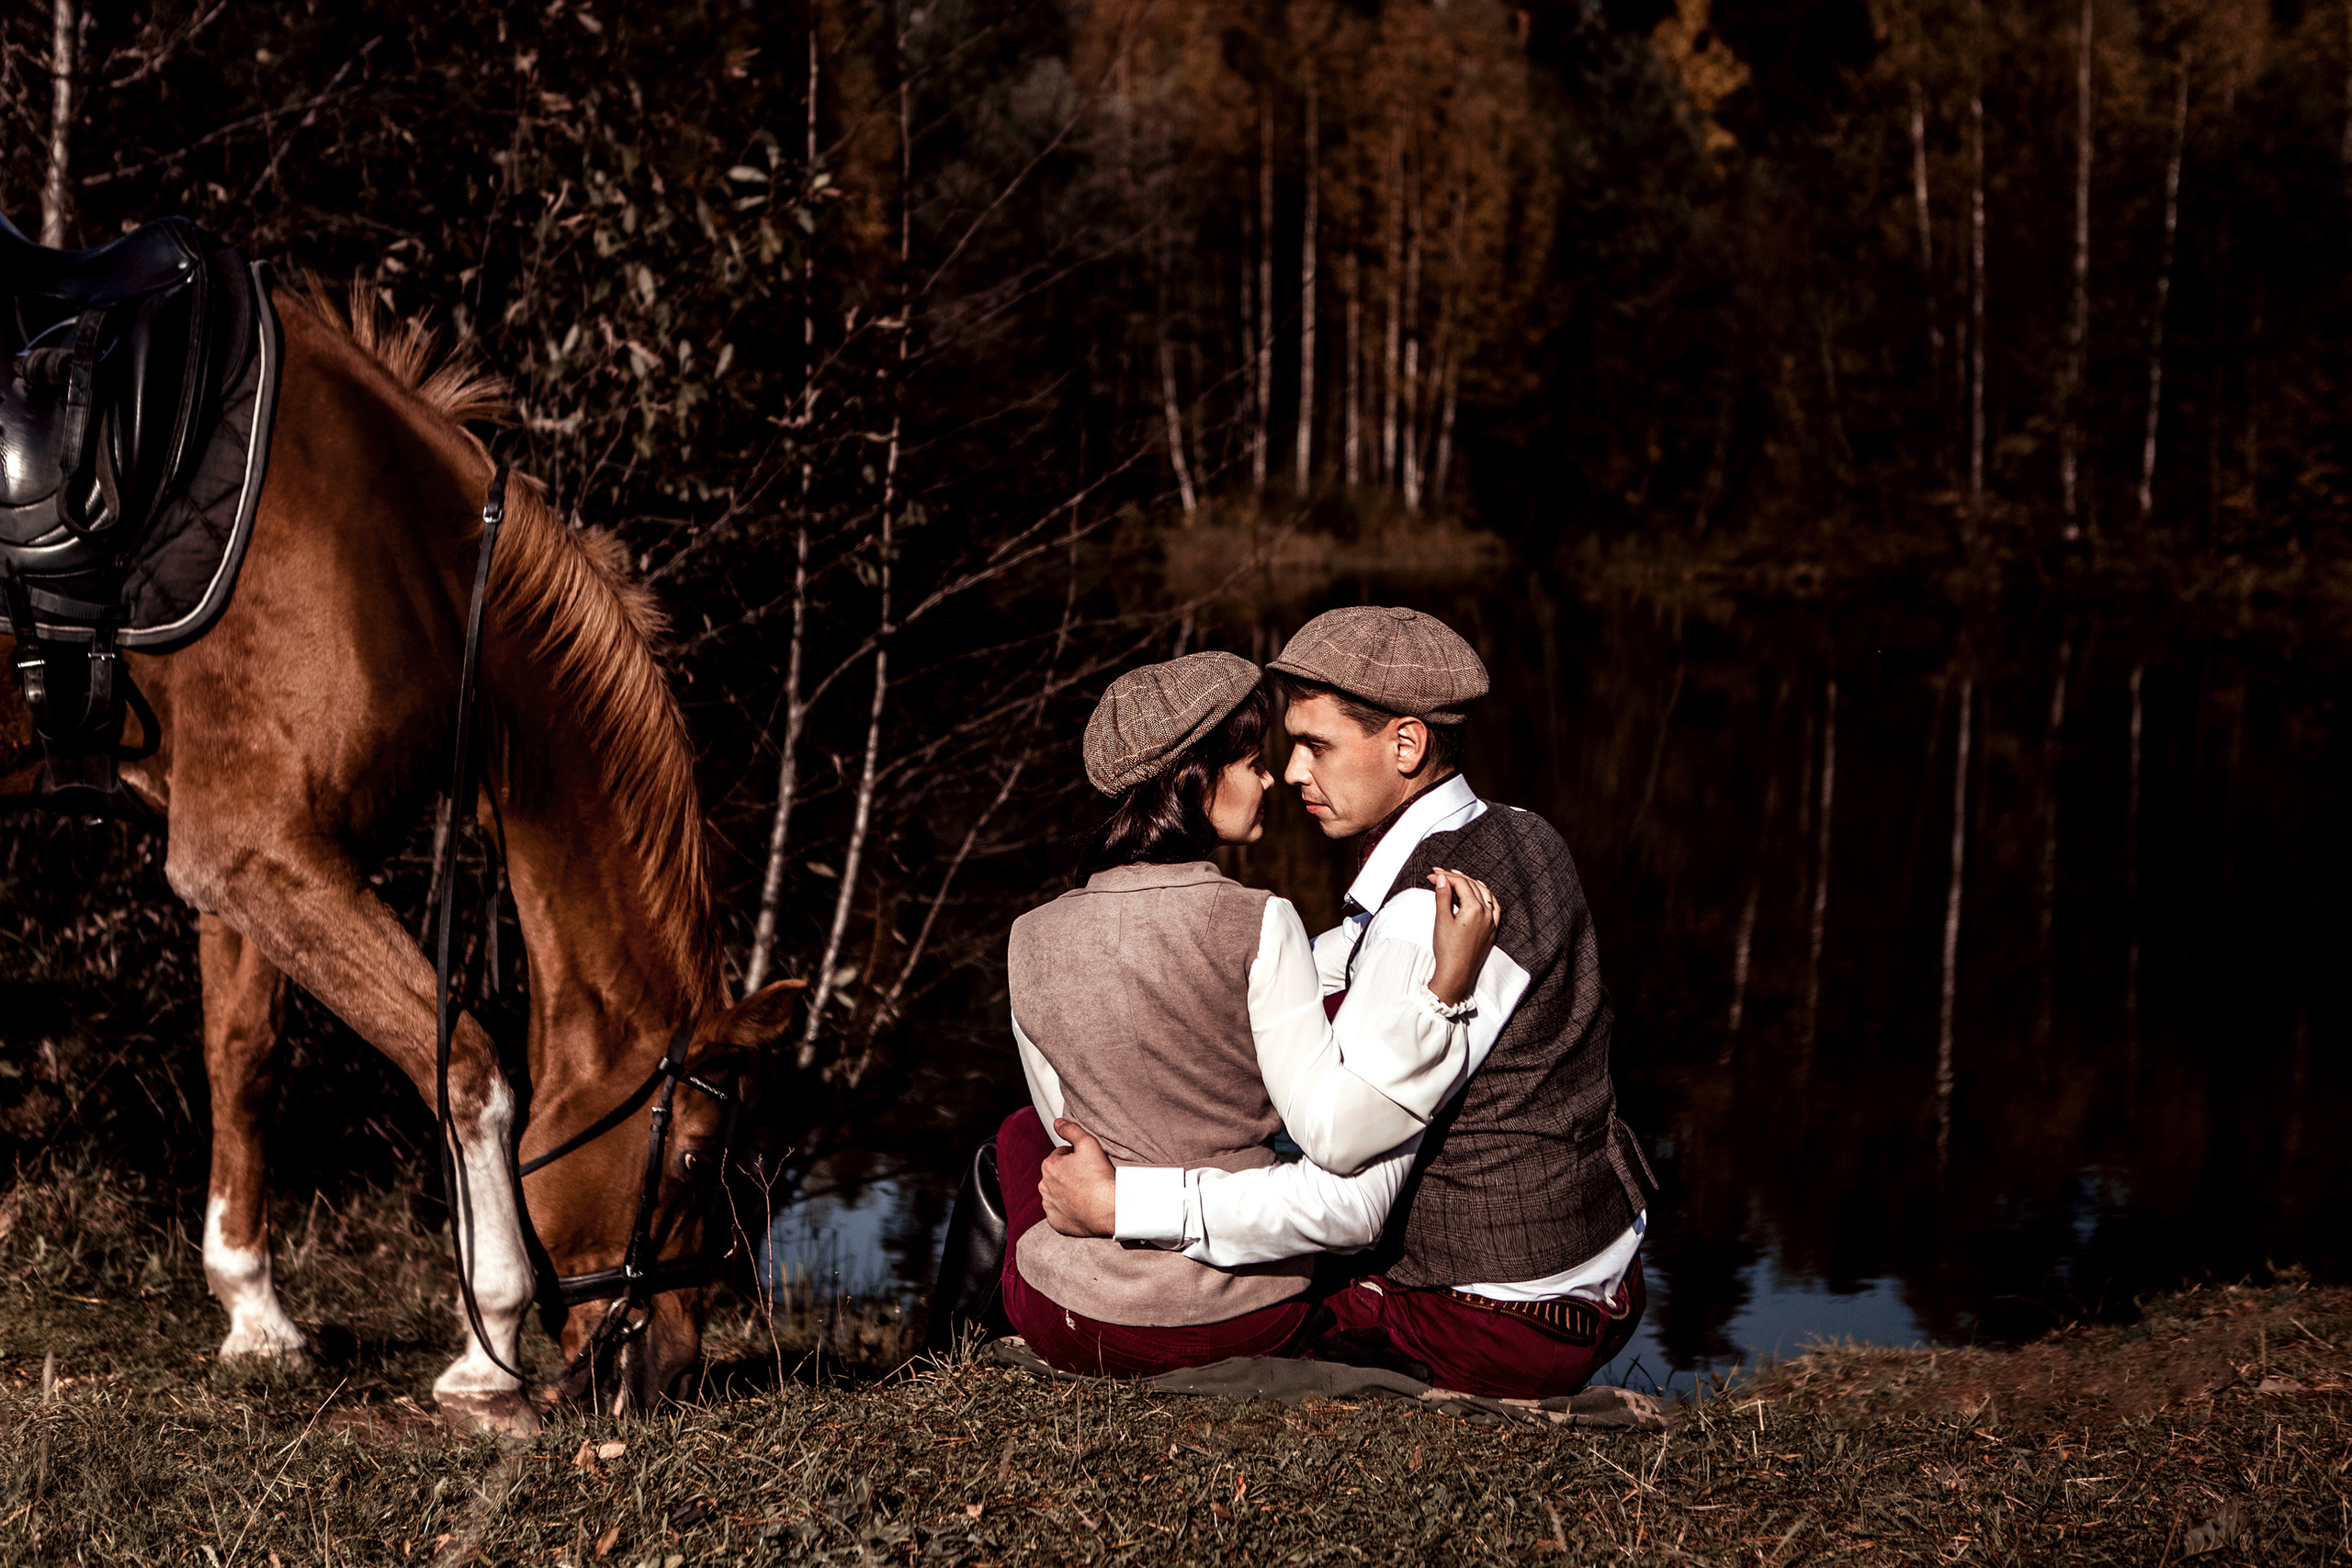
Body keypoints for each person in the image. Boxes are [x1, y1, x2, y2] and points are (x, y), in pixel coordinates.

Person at [1040, 606, 1654, 1400]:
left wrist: (1125, 1201)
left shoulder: (1418, 920)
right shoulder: (1521, 833)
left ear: (1406, 744)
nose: (1293, 772)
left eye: (1316, 746)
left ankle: (972, 1341)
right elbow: (1340, 961)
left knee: (1213, 1312)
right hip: (1596, 1275)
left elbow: (1339, 1174)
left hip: (1481, 1312)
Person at [988, 649, 1504, 1376]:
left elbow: (1063, 1125)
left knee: (1019, 1137)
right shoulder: (1262, 920)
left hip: (1072, 1321)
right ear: (1195, 779)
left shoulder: (1027, 935)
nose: (1274, 779)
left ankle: (973, 1328)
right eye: (1253, 762)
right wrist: (1439, 1001)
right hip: (1239, 1322)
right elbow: (1324, 1126)